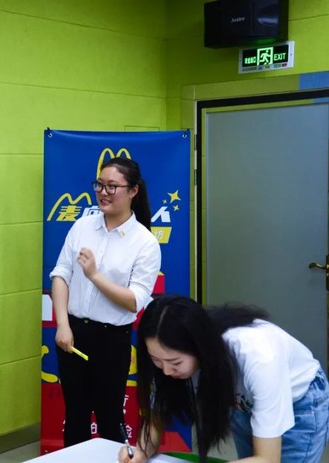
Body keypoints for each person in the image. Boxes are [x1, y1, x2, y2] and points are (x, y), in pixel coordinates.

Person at [121, 295, 329, 463]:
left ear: (200, 348)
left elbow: (267, 459)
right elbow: (156, 418)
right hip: (245, 402)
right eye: (156, 360)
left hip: (299, 401)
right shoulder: (167, 357)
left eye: (175, 362)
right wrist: (141, 451)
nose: (166, 371)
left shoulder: (258, 357)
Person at [50, 157, 161, 446]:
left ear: (133, 191)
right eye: (99, 185)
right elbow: (61, 275)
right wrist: (63, 325)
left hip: (111, 340)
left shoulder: (145, 242)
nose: (103, 192)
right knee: (75, 415)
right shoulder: (82, 226)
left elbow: (134, 301)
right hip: (73, 334)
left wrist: (94, 275)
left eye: (112, 186)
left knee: (110, 417)